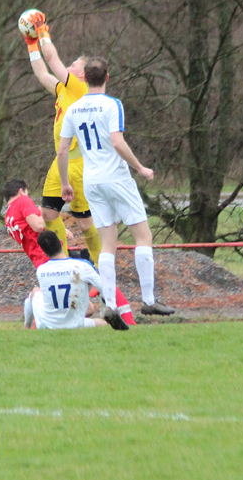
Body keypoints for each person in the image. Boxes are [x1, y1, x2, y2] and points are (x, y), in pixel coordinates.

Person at [58, 57, 176, 321]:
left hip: (91, 182)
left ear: (84, 78)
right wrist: (140, 168)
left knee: (108, 244)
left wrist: (65, 183)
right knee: (143, 237)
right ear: (107, 77)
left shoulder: (73, 110)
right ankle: (148, 301)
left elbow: (62, 149)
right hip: (117, 178)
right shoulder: (113, 105)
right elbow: (117, 142)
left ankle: (110, 304)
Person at [21, 11, 104, 266]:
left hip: (78, 165)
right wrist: (32, 43)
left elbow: (52, 58)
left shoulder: (79, 88)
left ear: (82, 75)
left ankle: (101, 267)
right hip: (60, 163)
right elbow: (40, 71)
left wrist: (42, 30)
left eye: (73, 66)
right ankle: (65, 263)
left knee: (85, 222)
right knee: (47, 214)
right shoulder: (63, 89)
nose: (67, 68)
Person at [2, 179, 136, 325]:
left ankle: (42, 318)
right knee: (100, 277)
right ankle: (128, 320)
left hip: (40, 260)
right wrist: (43, 212)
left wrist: (59, 229)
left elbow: (30, 231)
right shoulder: (23, 201)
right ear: (21, 191)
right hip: (54, 255)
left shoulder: (8, 215)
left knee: (86, 307)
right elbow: (38, 226)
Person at [24, 230, 110, 330]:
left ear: (44, 253)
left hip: (46, 324)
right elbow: (105, 289)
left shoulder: (41, 270)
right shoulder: (82, 265)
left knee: (35, 292)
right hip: (75, 324)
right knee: (102, 322)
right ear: (61, 243)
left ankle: (27, 327)